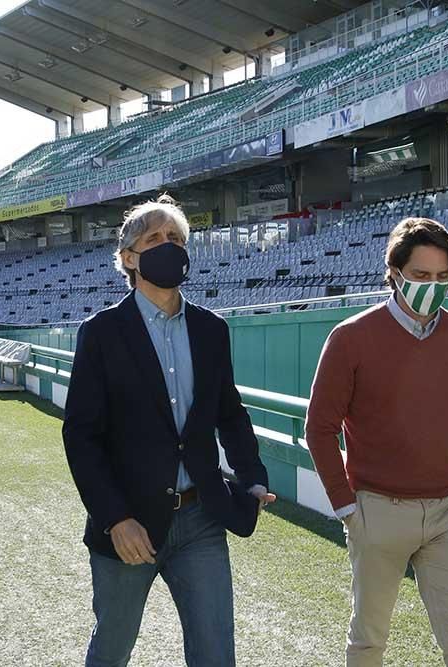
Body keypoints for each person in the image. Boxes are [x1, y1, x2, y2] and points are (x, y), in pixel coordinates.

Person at [63, 195, 277, 667]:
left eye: (176, 239)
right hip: (130, 523)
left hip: (202, 518)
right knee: (111, 651)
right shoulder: (101, 332)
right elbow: (81, 436)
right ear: (128, 258)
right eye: (155, 238)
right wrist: (115, 518)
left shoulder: (211, 328)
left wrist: (253, 475)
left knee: (216, 655)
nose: (169, 246)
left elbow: (230, 412)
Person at [305, 217, 448, 667]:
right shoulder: (350, 338)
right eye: (421, 276)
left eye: (444, 277)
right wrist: (347, 506)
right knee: (368, 641)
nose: (433, 286)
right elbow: (319, 428)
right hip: (377, 511)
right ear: (394, 272)